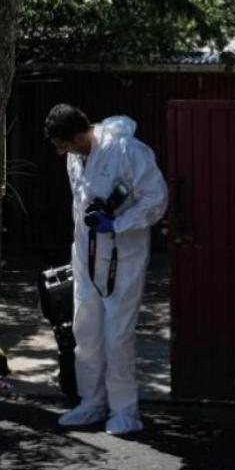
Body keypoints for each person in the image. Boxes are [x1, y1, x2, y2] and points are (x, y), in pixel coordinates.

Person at [44, 103, 168, 435]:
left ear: (80, 134)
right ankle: (92, 402)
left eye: (64, 145)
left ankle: (125, 409)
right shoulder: (75, 157)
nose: (61, 153)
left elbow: (156, 199)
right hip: (85, 254)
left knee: (117, 335)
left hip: (123, 257)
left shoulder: (127, 150)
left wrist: (118, 222)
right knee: (86, 332)